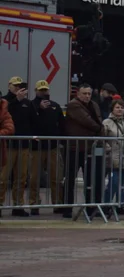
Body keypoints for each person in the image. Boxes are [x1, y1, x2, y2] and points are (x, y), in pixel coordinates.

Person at [63, 83, 105, 218]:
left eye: (89, 94)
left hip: (90, 148)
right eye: (84, 93)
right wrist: (99, 129)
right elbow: (87, 121)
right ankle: (67, 208)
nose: (87, 96)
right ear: (78, 94)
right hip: (74, 148)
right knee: (70, 179)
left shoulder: (94, 105)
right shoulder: (73, 105)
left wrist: (99, 132)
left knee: (92, 179)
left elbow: (98, 120)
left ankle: (91, 207)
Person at [31, 81, 64, 214]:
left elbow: (61, 123)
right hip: (36, 148)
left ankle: (57, 204)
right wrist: (39, 109)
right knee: (34, 178)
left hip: (53, 147)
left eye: (46, 90)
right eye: (41, 90)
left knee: (56, 177)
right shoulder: (31, 105)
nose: (44, 93)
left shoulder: (55, 106)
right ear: (36, 91)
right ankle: (33, 204)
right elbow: (29, 122)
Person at [0, 82, 33, 216]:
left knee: (21, 177)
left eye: (21, 87)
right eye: (15, 86)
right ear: (9, 87)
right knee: (3, 177)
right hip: (8, 146)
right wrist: (16, 100)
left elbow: (33, 120)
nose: (18, 89)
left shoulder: (27, 103)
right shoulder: (7, 103)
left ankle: (18, 205)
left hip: (23, 144)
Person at [102, 99, 124, 217]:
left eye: (122, 107)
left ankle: (120, 204)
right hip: (113, 157)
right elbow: (103, 139)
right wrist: (108, 149)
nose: (120, 110)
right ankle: (107, 205)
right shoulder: (106, 123)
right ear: (112, 109)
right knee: (114, 182)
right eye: (117, 107)